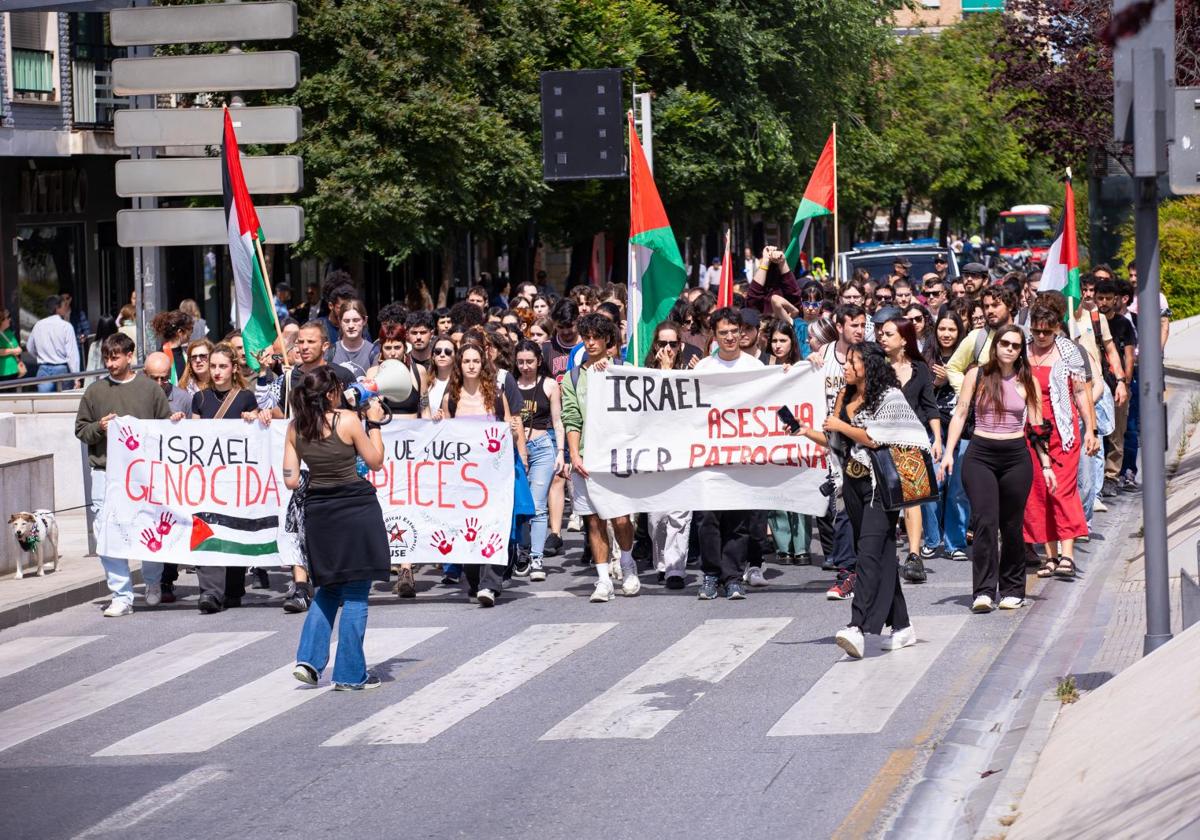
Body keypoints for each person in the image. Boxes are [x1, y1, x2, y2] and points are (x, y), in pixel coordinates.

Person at [794, 343, 926, 658]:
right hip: (853, 485)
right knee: (879, 555)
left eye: (853, 362)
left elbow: (877, 437)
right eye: (847, 362)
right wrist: (807, 431)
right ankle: (903, 625)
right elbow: (836, 439)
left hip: (881, 487)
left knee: (866, 554)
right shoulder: (847, 397)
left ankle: (857, 625)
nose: (846, 367)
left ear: (869, 365)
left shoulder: (889, 398)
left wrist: (841, 425)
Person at [287, 366, 389, 691]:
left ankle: (308, 659)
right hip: (355, 508)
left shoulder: (295, 427)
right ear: (330, 392)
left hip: (320, 512)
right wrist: (373, 423)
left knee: (329, 588)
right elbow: (375, 461)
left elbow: (291, 479)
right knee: (357, 593)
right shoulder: (346, 420)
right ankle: (348, 674)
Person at [942, 325, 1047, 611]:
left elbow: (1037, 428)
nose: (1010, 349)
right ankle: (984, 591)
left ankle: (1013, 588)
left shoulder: (1028, 380)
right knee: (985, 522)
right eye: (1005, 343)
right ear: (995, 345)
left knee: (1011, 525)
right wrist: (948, 452)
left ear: (1020, 350)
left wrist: (1046, 465)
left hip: (1015, 457)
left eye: (1015, 345)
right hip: (980, 455)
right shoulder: (976, 375)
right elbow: (961, 413)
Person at [74, 332, 171, 616]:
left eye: (115, 357)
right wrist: (99, 428)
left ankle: (153, 581)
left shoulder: (149, 389)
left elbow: (164, 426)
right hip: (105, 471)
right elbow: (81, 429)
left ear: (130, 356)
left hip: (143, 472)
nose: (110, 363)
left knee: (148, 525)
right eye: (106, 357)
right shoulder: (94, 392)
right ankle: (121, 594)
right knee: (106, 531)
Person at [436, 341, 528, 606]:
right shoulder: (451, 399)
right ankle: (476, 580)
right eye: (466, 361)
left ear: (483, 364)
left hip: (494, 477)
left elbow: (510, 428)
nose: (472, 366)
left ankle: (490, 584)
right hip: (463, 480)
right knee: (468, 531)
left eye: (476, 361)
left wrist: (514, 438)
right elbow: (445, 438)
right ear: (459, 365)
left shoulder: (496, 396)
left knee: (494, 528)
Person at [561, 314, 639, 602]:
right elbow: (572, 417)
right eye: (587, 337)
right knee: (593, 521)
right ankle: (603, 579)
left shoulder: (624, 369)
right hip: (587, 458)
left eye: (596, 337)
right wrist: (573, 454)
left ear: (608, 340)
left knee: (620, 518)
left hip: (617, 457)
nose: (591, 342)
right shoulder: (572, 378)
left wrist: (610, 375)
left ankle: (628, 564)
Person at [190, 344, 270, 614]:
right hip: (208, 478)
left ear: (234, 368)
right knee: (207, 529)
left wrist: (255, 418)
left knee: (234, 530)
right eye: (213, 366)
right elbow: (193, 439)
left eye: (222, 366)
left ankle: (233, 588)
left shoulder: (245, 397)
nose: (216, 371)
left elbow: (261, 429)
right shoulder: (199, 399)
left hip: (237, 479)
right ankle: (210, 593)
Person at [694, 307, 764, 600]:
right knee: (708, 518)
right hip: (709, 457)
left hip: (743, 456)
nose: (730, 337)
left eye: (734, 332)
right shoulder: (703, 370)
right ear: (714, 336)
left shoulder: (755, 368)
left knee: (738, 520)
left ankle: (733, 577)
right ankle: (711, 574)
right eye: (723, 333)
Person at [1024, 305, 1097, 581]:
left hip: (1063, 431)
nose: (1041, 336)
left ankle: (1068, 554)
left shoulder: (1068, 353)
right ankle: (1050, 556)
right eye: (1036, 330)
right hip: (1030, 431)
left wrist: (1090, 429)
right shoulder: (1023, 351)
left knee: (1062, 490)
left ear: (1057, 329)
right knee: (1038, 492)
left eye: (1047, 331)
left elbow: (1081, 392)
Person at [808, 303, 867, 597]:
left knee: (857, 508)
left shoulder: (869, 356)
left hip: (864, 442)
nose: (859, 330)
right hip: (832, 444)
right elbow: (800, 384)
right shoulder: (823, 357)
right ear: (840, 326)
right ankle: (848, 571)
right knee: (842, 506)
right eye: (853, 324)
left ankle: (858, 568)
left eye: (862, 324)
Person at [877, 317, 941, 583]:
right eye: (881, 333)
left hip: (912, 441)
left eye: (888, 334)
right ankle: (886, 553)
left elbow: (929, 405)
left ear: (904, 339)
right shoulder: (876, 365)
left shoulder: (920, 369)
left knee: (913, 499)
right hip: (881, 440)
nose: (882, 338)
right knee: (885, 501)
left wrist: (937, 438)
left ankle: (914, 556)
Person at [364, 323, 423, 597]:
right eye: (387, 347)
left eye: (396, 347)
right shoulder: (374, 374)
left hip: (411, 453)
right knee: (384, 504)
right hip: (383, 450)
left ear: (405, 347)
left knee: (409, 505)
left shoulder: (418, 372)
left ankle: (406, 568)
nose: (392, 352)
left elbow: (424, 409)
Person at [641, 321, 694, 588]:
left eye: (673, 344)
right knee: (656, 518)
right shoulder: (644, 375)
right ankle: (662, 561)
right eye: (663, 344)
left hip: (684, 455)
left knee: (680, 516)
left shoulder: (690, 372)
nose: (668, 349)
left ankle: (676, 568)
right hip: (654, 456)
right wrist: (662, 372)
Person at [515, 339, 565, 583]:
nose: (525, 367)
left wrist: (561, 451)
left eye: (530, 362)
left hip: (543, 447)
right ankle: (520, 553)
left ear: (539, 361)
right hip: (515, 449)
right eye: (521, 362)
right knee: (517, 506)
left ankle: (536, 558)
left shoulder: (549, 385)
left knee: (537, 506)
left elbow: (557, 421)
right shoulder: (510, 384)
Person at [921, 311, 969, 563]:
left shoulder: (969, 360)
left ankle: (955, 543)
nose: (947, 334)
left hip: (964, 431)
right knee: (932, 485)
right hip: (933, 430)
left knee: (958, 489)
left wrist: (951, 378)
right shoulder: (925, 359)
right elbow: (918, 395)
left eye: (952, 329)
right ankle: (931, 539)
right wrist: (937, 383)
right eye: (942, 329)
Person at [28, 295, 80, 392]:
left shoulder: (38, 325)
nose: (66, 307)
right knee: (64, 404)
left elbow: (30, 348)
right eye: (63, 305)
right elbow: (72, 354)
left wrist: (41, 356)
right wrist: (76, 376)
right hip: (62, 369)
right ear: (57, 308)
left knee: (44, 404)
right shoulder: (66, 326)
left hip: (43, 369)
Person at [327, 300, 378, 378]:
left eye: (356, 320)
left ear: (364, 321)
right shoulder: (330, 352)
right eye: (346, 321)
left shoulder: (374, 353)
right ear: (340, 322)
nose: (351, 325)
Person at [0, 308, 23, 383]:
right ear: (1, 320)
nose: (9, 319)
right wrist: (14, 351)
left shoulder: (9, 332)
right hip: (3, 373)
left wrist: (17, 350)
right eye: (7, 318)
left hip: (14, 370)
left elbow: (16, 347)